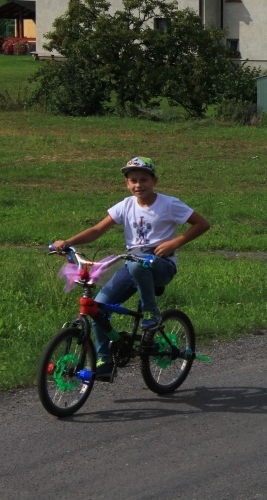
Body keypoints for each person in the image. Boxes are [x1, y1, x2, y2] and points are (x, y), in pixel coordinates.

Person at [53, 156, 210, 379]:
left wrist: (175, 243)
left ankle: (151, 313)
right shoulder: (125, 206)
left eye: (144, 179)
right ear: (127, 183)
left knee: (138, 266)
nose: (139, 185)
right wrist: (68, 242)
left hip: (161, 264)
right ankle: (105, 360)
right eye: (133, 180)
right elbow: (97, 230)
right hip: (132, 263)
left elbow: (202, 224)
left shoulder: (168, 203)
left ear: (154, 180)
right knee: (98, 307)